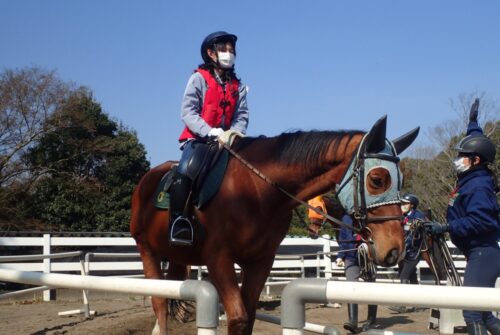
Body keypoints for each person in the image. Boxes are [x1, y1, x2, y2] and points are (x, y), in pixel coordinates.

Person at [425, 98, 499, 335]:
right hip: (481, 253)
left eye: (462, 156)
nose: (458, 160)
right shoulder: (473, 178)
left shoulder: (478, 187)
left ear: (475, 160)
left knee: (472, 312)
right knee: (485, 313)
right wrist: (473, 124)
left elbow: (482, 221)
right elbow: (478, 145)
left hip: (483, 253)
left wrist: (447, 227)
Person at [169, 31, 249, 246]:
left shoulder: (238, 85)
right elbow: (188, 112)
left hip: (230, 141)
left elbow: (242, 114)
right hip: (199, 140)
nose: (229, 54)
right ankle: (180, 221)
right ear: (210, 53)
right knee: (187, 170)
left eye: (231, 51)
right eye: (224, 50)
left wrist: (235, 133)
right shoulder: (198, 78)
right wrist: (209, 131)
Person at [337, 215, 381, 333]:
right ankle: (353, 321)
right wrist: (340, 256)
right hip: (351, 258)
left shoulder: (371, 215)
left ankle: (371, 320)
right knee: (351, 287)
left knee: (370, 288)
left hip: (368, 257)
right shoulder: (346, 218)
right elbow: (342, 239)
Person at [388, 193, 427, 313]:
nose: (402, 205)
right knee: (412, 277)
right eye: (402, 203)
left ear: (412, 205)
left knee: (404, 276)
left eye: (405, 203)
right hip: (404, 252)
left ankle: (402, 305)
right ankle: (418, 304)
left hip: (413, 253)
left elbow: (413, 236)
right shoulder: (401, 216)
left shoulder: (418, 216)